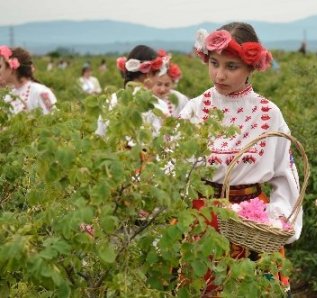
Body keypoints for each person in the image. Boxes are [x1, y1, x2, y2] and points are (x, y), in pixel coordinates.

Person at [179, 22, 302, 294]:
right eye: (214, 63)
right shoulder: (195, 109)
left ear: (251, 67)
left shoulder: (269, 114)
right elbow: (173, 165)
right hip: (204, 219)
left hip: (253, 222)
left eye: (231, 66)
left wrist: (278, 219)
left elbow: (286, 175)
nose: (219, 74)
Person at [95, 45, 169, 138]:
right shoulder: (157, 105)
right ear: (148, 74)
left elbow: (99, 136)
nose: (158, 78)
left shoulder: (110, 101)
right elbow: (162, 143)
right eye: (157, 74)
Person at [0, 45, 57, 115]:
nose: (0, 70)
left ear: (11, 69)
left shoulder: (40, 92)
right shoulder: (9, 95)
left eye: (1, 66)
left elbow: (54, 121)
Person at [151, 51, 189, 117]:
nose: (162, 89)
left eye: (167, 85)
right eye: (159, 84)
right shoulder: (145, 99)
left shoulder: (180, 98)